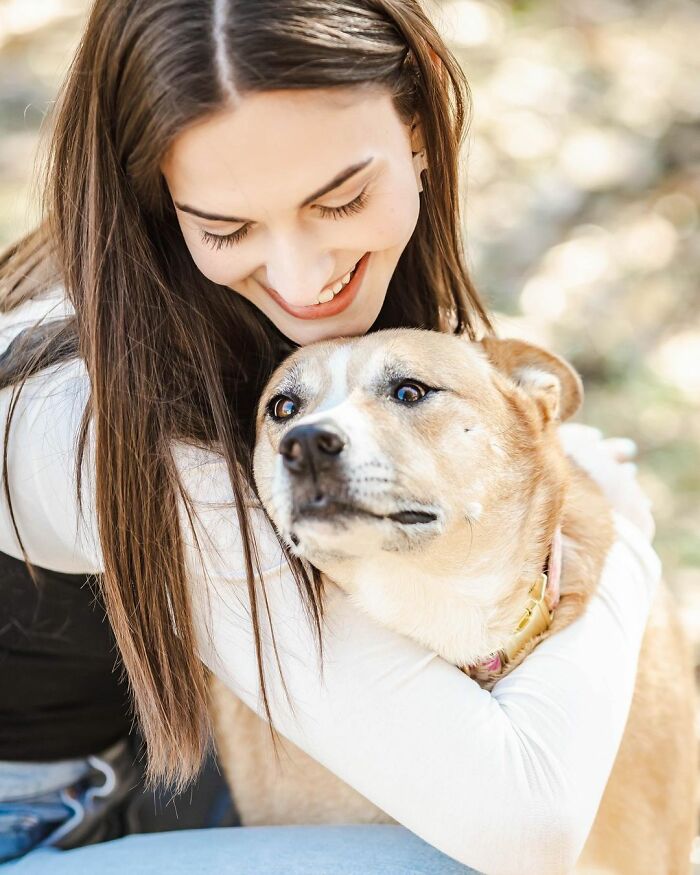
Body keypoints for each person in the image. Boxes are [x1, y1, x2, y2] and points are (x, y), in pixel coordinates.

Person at [0, 1, 660, 873]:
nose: (305, 278)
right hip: (38, 824)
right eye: (225, 229)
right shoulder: (89, 418)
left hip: (165, 772)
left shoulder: (288, 326)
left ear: (417, 132)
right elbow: (523, 825)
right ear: (160, 204)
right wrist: (630, 546)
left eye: (341, 199)